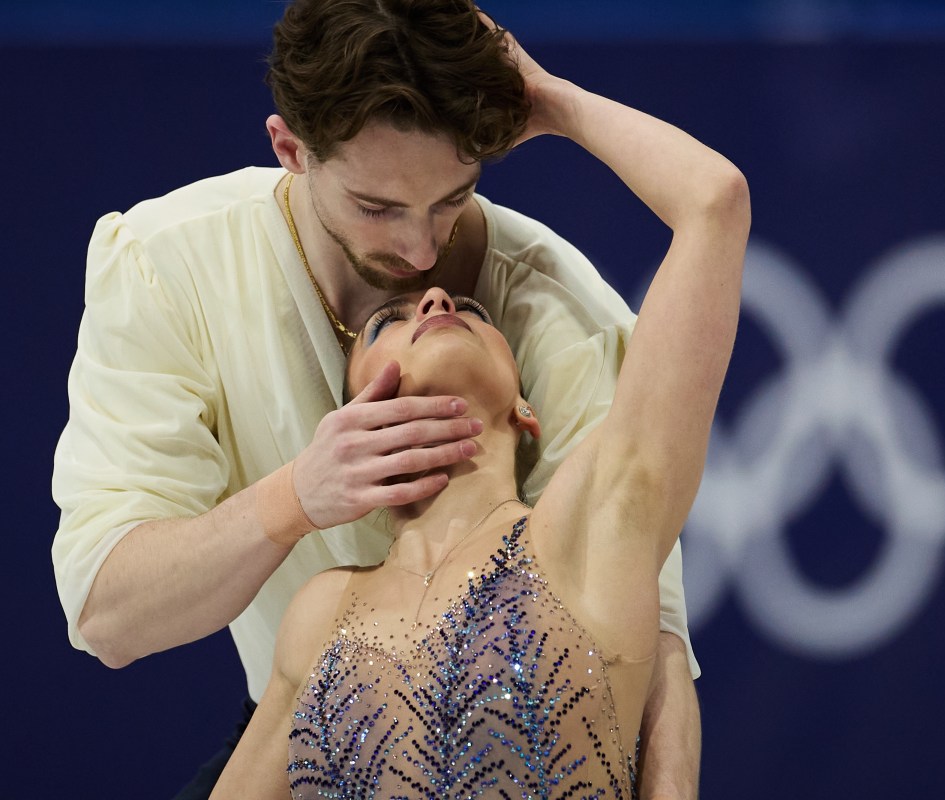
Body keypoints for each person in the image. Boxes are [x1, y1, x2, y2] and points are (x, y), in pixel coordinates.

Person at [50, 0, 701, 796]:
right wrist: (294, 498)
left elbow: (653, 642)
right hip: (322, 733)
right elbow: (109, 617)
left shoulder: (561, 314)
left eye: (453, 199)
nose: (424, 254)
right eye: (378, 208)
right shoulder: (166, 267)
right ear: (290, 149)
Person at [209, 18, 749, 796]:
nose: (430, 289)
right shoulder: (319, 616)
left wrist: (552, 102)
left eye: (472, 309)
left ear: (526, 411)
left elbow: (715, 203)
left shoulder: (593, 528)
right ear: (354, 410)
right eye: (384, 323)